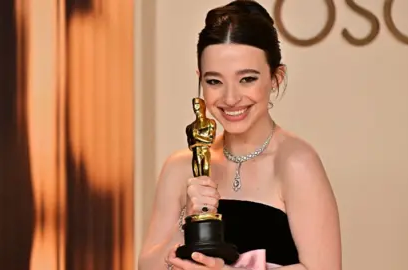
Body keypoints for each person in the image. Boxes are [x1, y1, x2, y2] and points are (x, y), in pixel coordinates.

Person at [138, 1, 342, 269]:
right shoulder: (181, 166)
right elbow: (147, 265)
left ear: (275, 78)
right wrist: (190, 218)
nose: (231, 98)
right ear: (200, 79)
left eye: (247, 79)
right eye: (214, 81)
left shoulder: (296, 162)